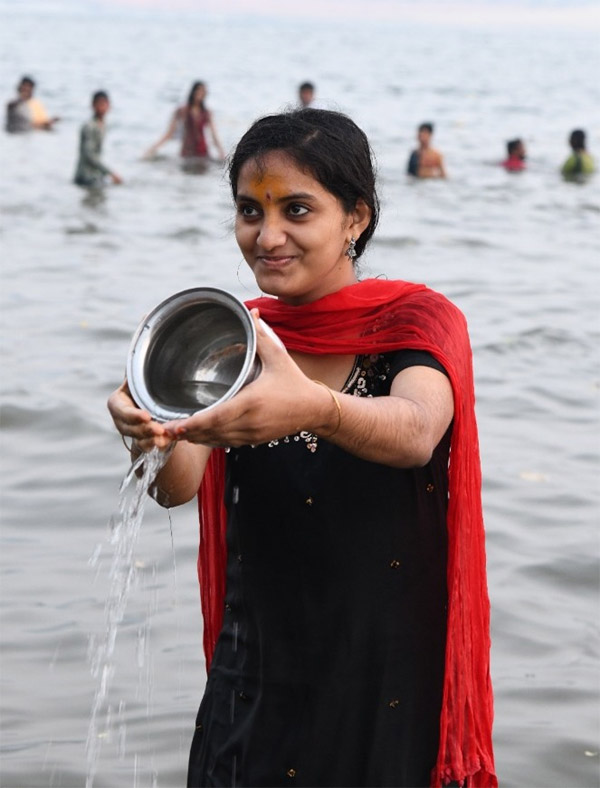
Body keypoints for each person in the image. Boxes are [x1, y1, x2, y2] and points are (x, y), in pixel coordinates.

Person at [108, 108, 496, 787]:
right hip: (254, 670)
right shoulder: (237, 339)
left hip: (382, 670)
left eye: (297, 210)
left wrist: (316, 408)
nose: (268, 235)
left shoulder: (417, 325)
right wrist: (146, 431)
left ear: (356, 219)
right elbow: (175, 487)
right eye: (249, 212)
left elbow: (415, 432)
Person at [143, 81, 225, 161]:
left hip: (202, 151)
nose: (201, 93)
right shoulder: (182, 110)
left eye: (203, 91)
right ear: (193, 91)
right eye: (199, 90)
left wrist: (221, 152)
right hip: (187, 151)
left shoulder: (206, 113)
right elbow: (169, 133)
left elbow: (214, 135)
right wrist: (153, 148)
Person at [74, 90, 122, 187]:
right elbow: (89, 155)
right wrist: (110, 173)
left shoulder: (102, 125)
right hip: (85, 177)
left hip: (95, 175)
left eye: (104, 104)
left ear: (109, 106)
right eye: (99, 104)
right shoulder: (89, 126)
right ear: (93, 105)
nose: (102, 107)